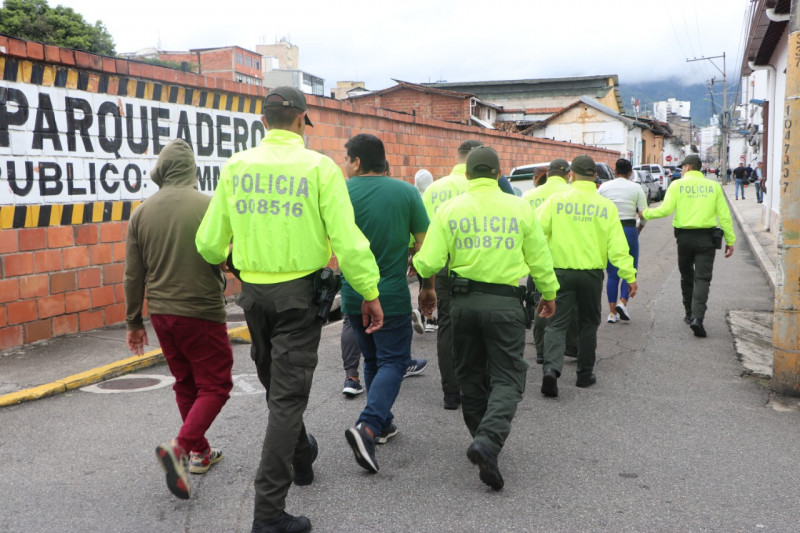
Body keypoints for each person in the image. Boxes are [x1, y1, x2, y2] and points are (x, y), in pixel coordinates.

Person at [195, 86, 383, 533]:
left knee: (277, 389)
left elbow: (207, 243)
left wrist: (229, 255)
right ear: (302, 120)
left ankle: (301, 454)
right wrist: (371, 293)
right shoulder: (319, 168)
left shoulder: (237, 167)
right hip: (300, 299)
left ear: (264, 122)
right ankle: (268, 514)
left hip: (254, 298)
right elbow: (348, 240)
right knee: (285, 398)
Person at [413, 146, 558, 491]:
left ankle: (482, 440)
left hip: (461, 305)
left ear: (467, 174)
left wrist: (419, 275)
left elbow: (428, 262)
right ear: (497, 174)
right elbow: (539, 258)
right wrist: (550, 295)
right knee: (508, 376)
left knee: (469, 375)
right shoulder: (519, 207)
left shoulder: (450, 208)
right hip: (506, 304)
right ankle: (488, 441)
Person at [124, 138, 233, 501]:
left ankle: (201, 452)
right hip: (200, 310)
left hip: (162, 315)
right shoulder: (208, 205)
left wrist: (133, 322)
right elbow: (224, 257)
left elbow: (132, 274)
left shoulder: (141, 212)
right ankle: (181, 448)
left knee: (186, 383)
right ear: (192, 169)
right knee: (216, 386)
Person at [340, 133, 435, 473]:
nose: (343, 165)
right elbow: (424, 247)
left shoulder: (341, 194)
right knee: (394, 361)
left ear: (358, 162)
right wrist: (427, 288)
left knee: (373, 358)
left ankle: (384, 424)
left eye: (346, 159)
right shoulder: (407, 193)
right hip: (392, 295)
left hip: (353, 294)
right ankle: (367, 427)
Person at [536, 155, 638, 397]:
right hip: (591, 275)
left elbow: (536, 232)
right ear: (594, 177)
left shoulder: (556, 200)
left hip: (560, 272)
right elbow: (617, 247)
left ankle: (551, 369)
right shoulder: (606, 206)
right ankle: (584, 374)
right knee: (588, 323)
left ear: (571, 175)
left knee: (557, 324)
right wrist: (629, 276)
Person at [642, 154, 735, 337]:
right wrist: (730, 241)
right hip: (707, 239)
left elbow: (665, 210)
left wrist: (645, 213)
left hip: (684, 239)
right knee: (703, 278)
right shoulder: (713, 186)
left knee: (686, 275)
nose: (682, 170)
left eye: (683, 167)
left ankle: (688, 313)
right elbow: (724, 216)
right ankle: (697, 318)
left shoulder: (677, 185)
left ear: (688, 167)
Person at [421, 139, 484, 410]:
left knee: (447, 326)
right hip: (480, 266)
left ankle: (450, 393)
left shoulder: (434, 189)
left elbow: (423, 237)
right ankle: (478, 388)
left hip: (443, 267)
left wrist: (427, 283)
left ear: (457, 158)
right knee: (479, 327)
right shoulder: (485, 187)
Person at [521, 159, 578, 364]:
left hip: (537, 259)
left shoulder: (528, 195)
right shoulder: (572, 195)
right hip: (565, 257)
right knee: (568, 304)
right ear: (568, 175)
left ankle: (541, 351)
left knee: (540, 303)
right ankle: (571, 346)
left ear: (548, 174)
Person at [598, 158, 648, 323]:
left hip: (610, 231)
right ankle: (622, 302)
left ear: (614, 170)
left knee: (612, 273)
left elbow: (597, 209)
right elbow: (643, 214)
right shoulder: (636, 188)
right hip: (628, 229)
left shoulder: (604, 187)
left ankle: (612, 313)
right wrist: (639, 228)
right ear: (630, 172)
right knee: (630, 269)